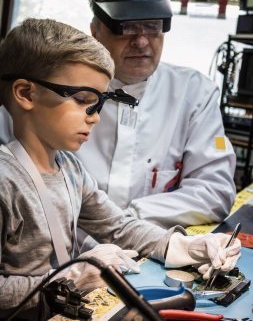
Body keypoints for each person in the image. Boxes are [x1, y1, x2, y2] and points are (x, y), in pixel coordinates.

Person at [0, 18, 241, 320]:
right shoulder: (5, 182)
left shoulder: (71, 169)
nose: (95, 117)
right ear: (26, 93)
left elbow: (119, 227)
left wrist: (182, 246)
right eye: (83, 100)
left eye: (100, 102)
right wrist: (73, 276)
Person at [0, 0, 236, 232]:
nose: (141, 41)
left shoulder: (194, 92)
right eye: (126, 26)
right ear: (95, 30)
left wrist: (125, 218)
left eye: (152, 26)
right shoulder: (45, 91)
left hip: (148, 249)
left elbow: (215, 190)